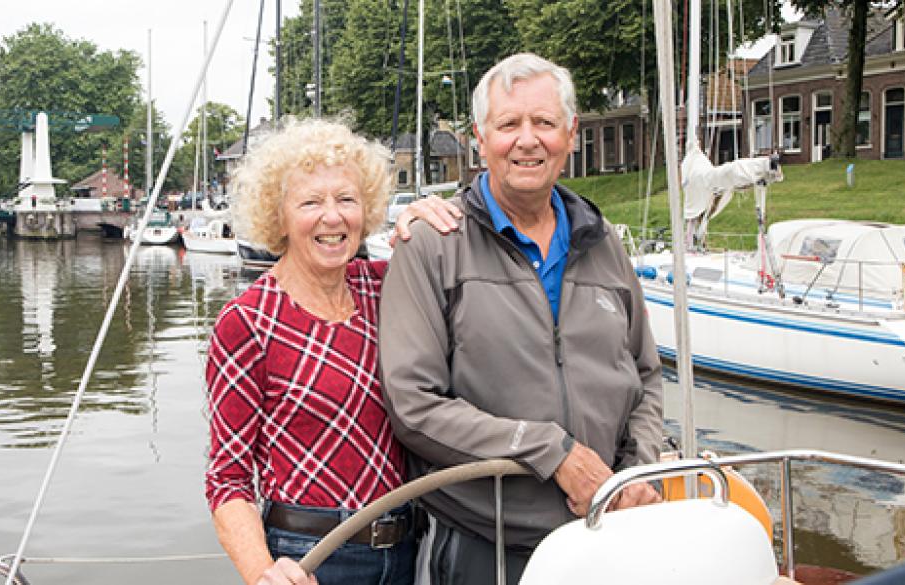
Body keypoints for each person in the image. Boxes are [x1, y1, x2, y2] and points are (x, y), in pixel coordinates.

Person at [379, 53, 664, 584]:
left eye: (545, 123)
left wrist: (636, 470)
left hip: (605, 537)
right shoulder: (432, 246)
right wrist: (551, 453)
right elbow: (413, 404)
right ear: (479, 139)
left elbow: (645, 376)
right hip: (485, 548)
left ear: (571, 134)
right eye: (509, 124)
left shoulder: (603, 244)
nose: (527, 140)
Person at [205, 118, 458, 585]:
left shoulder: (386, 286)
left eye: (346, 199)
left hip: (408, 547)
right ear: (277, 215)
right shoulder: (247, 321)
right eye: (310, 202)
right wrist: (262, 572)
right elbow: (228, 478)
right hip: (313, 558)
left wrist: (421, 222)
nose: (333, 217)